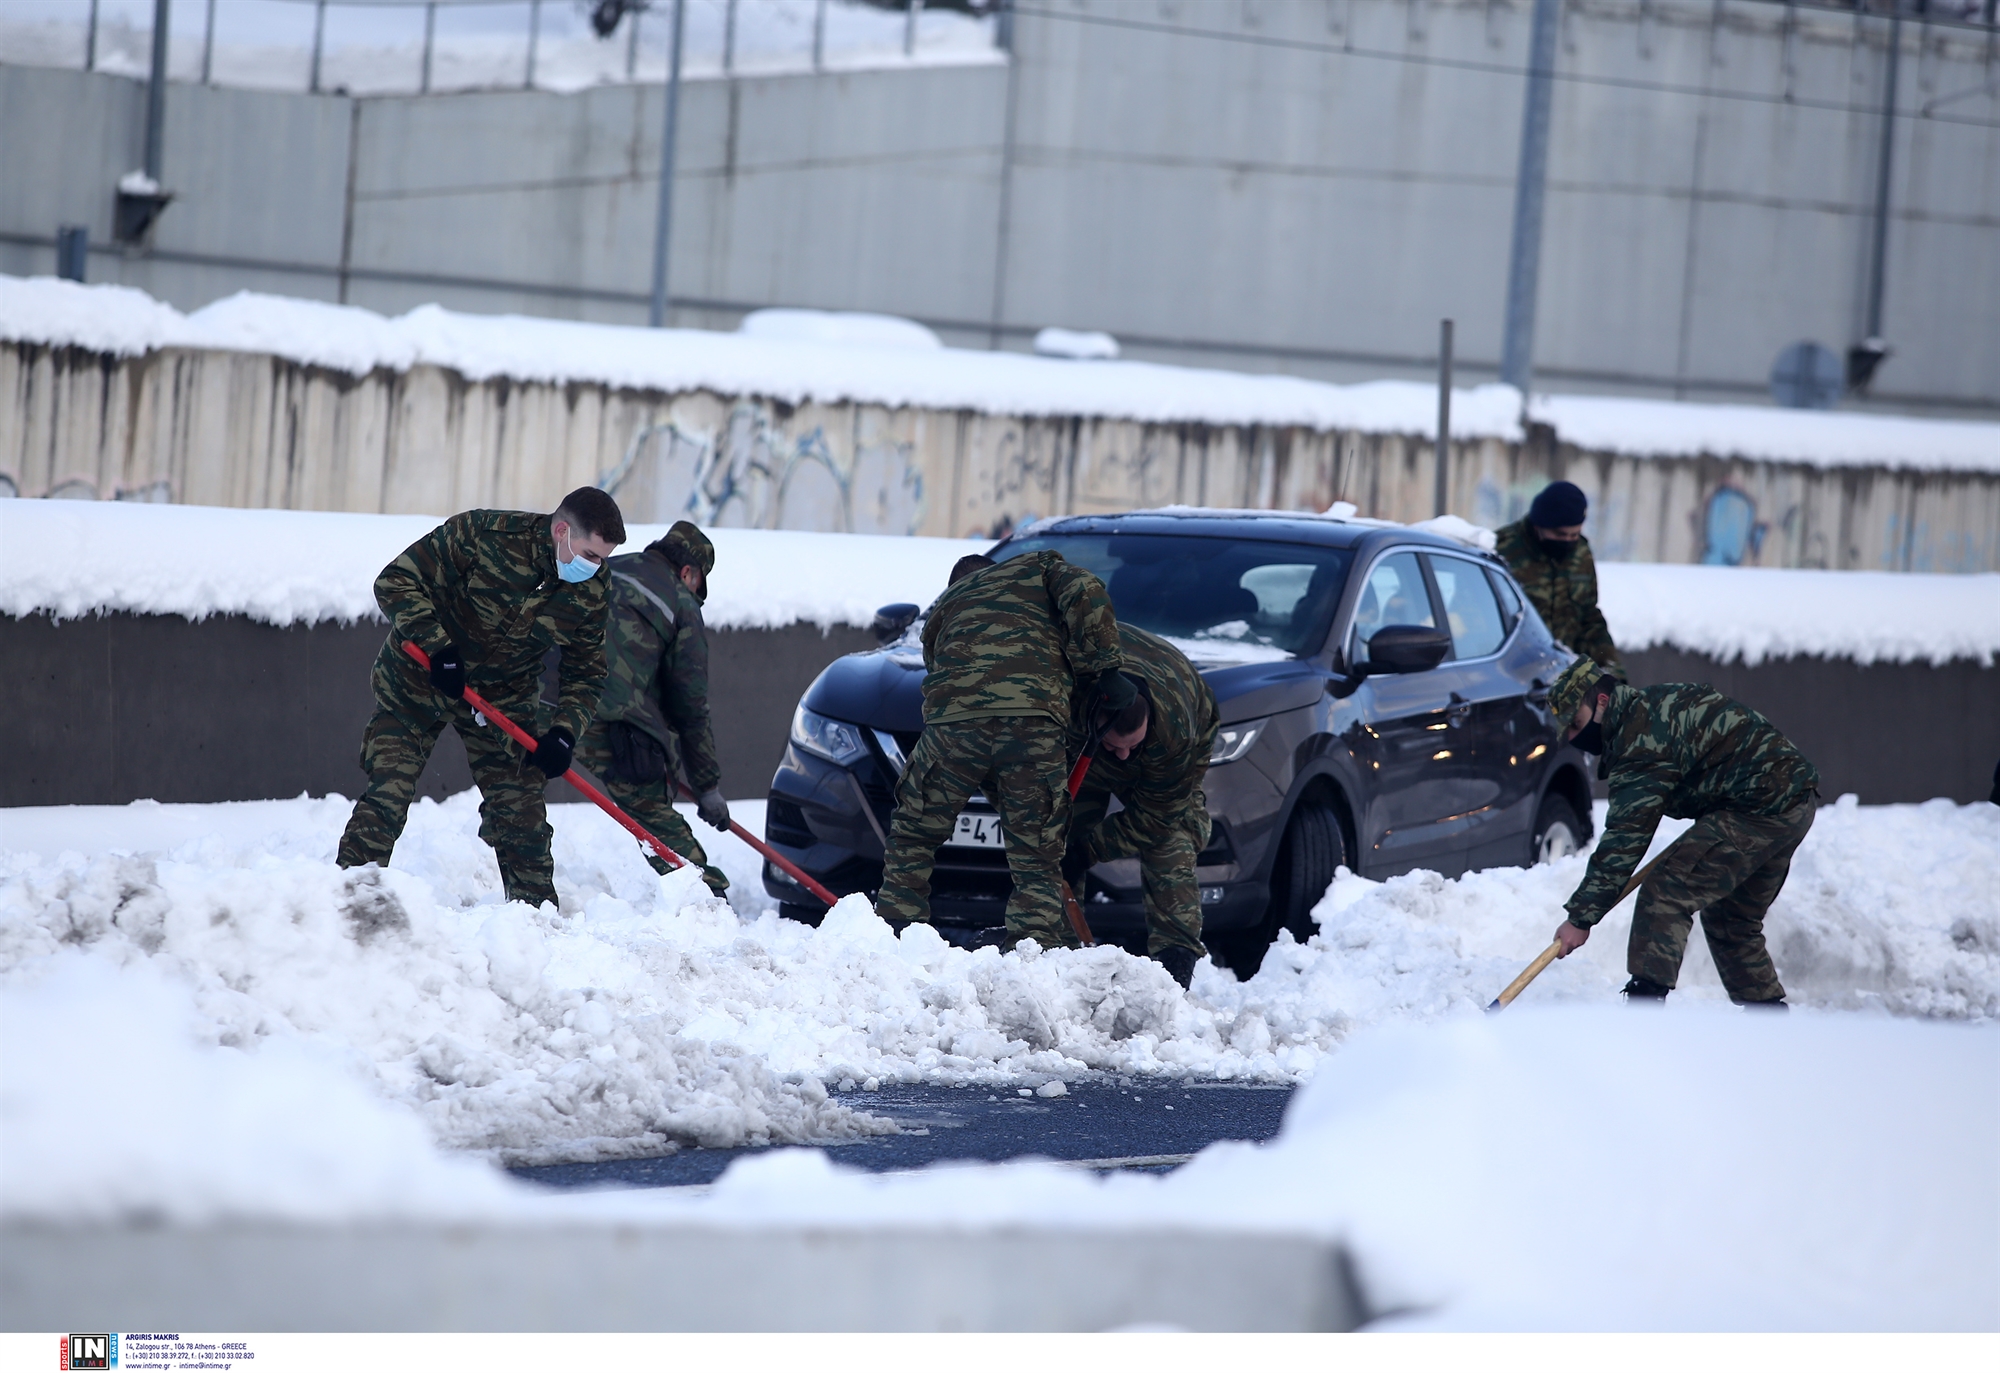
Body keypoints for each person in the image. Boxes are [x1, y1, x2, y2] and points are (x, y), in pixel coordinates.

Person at [335, 488, 625, 907]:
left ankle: (535, 926)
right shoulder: (484, 534)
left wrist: (564, 732)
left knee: (522, 813)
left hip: (504, 698)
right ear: (561, 531)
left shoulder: (593, 587)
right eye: (590, 555)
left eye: (603, 559)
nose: (596, 567)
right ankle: (346, 907)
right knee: (388, 794)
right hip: (420, 680)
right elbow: (396, 581)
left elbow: (586, 671)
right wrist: (438, 648)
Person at [875, 551, 1129, 950]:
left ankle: (893, 932)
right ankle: (1032, 947)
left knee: (914, 834)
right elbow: (1084, 588)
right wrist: (1108, 668)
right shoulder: (1036, 570)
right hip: (1032, 724)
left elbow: (937, 669)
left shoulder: (942, 611)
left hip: (954, 728)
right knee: (1038, 852)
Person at [1545, 656, 1819, 1006]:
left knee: (1666, 891)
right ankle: (1769, 1024)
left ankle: (1645, 1012)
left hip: (1759, 805)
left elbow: (1624, 839)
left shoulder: (1639, 741)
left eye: (1576, 724)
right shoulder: (1652, 706)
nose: (1573, 737)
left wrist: (1581, 917)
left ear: (1602, 702)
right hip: (1793, 799)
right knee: (1730, 920)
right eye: (1567, 731)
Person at [573, 520, 732, 896]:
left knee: (515, 795)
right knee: (650, 808)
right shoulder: (681, 601)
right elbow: (690, 704)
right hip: (607, 714)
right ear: (689, 572)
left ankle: (525, 898)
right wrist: (707, 787)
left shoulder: (608, 566)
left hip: (538, 696)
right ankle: (706, 900)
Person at [1063, 624, 1220, 989]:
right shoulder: (1068, 689)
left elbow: (1156, 817)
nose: (1124, 755)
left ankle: (1174, 963)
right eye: (1116, 746)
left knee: (1171, 838)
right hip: (1083, 747)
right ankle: (1056, 951)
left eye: (1132, 745)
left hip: (1177, 739)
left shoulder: (1173, 733)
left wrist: (1089, 850)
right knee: (1058, 836)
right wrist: (1065, 846)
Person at [1495, 480, 1624, 676]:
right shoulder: (1502, 550)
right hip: (1513, 677)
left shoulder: (1580, 553)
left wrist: (1611, 671)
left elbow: (1588, 618)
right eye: (1560, 534)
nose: (1568, 541)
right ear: (1539, 525)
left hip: (1564, 678)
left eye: (1574, 535)